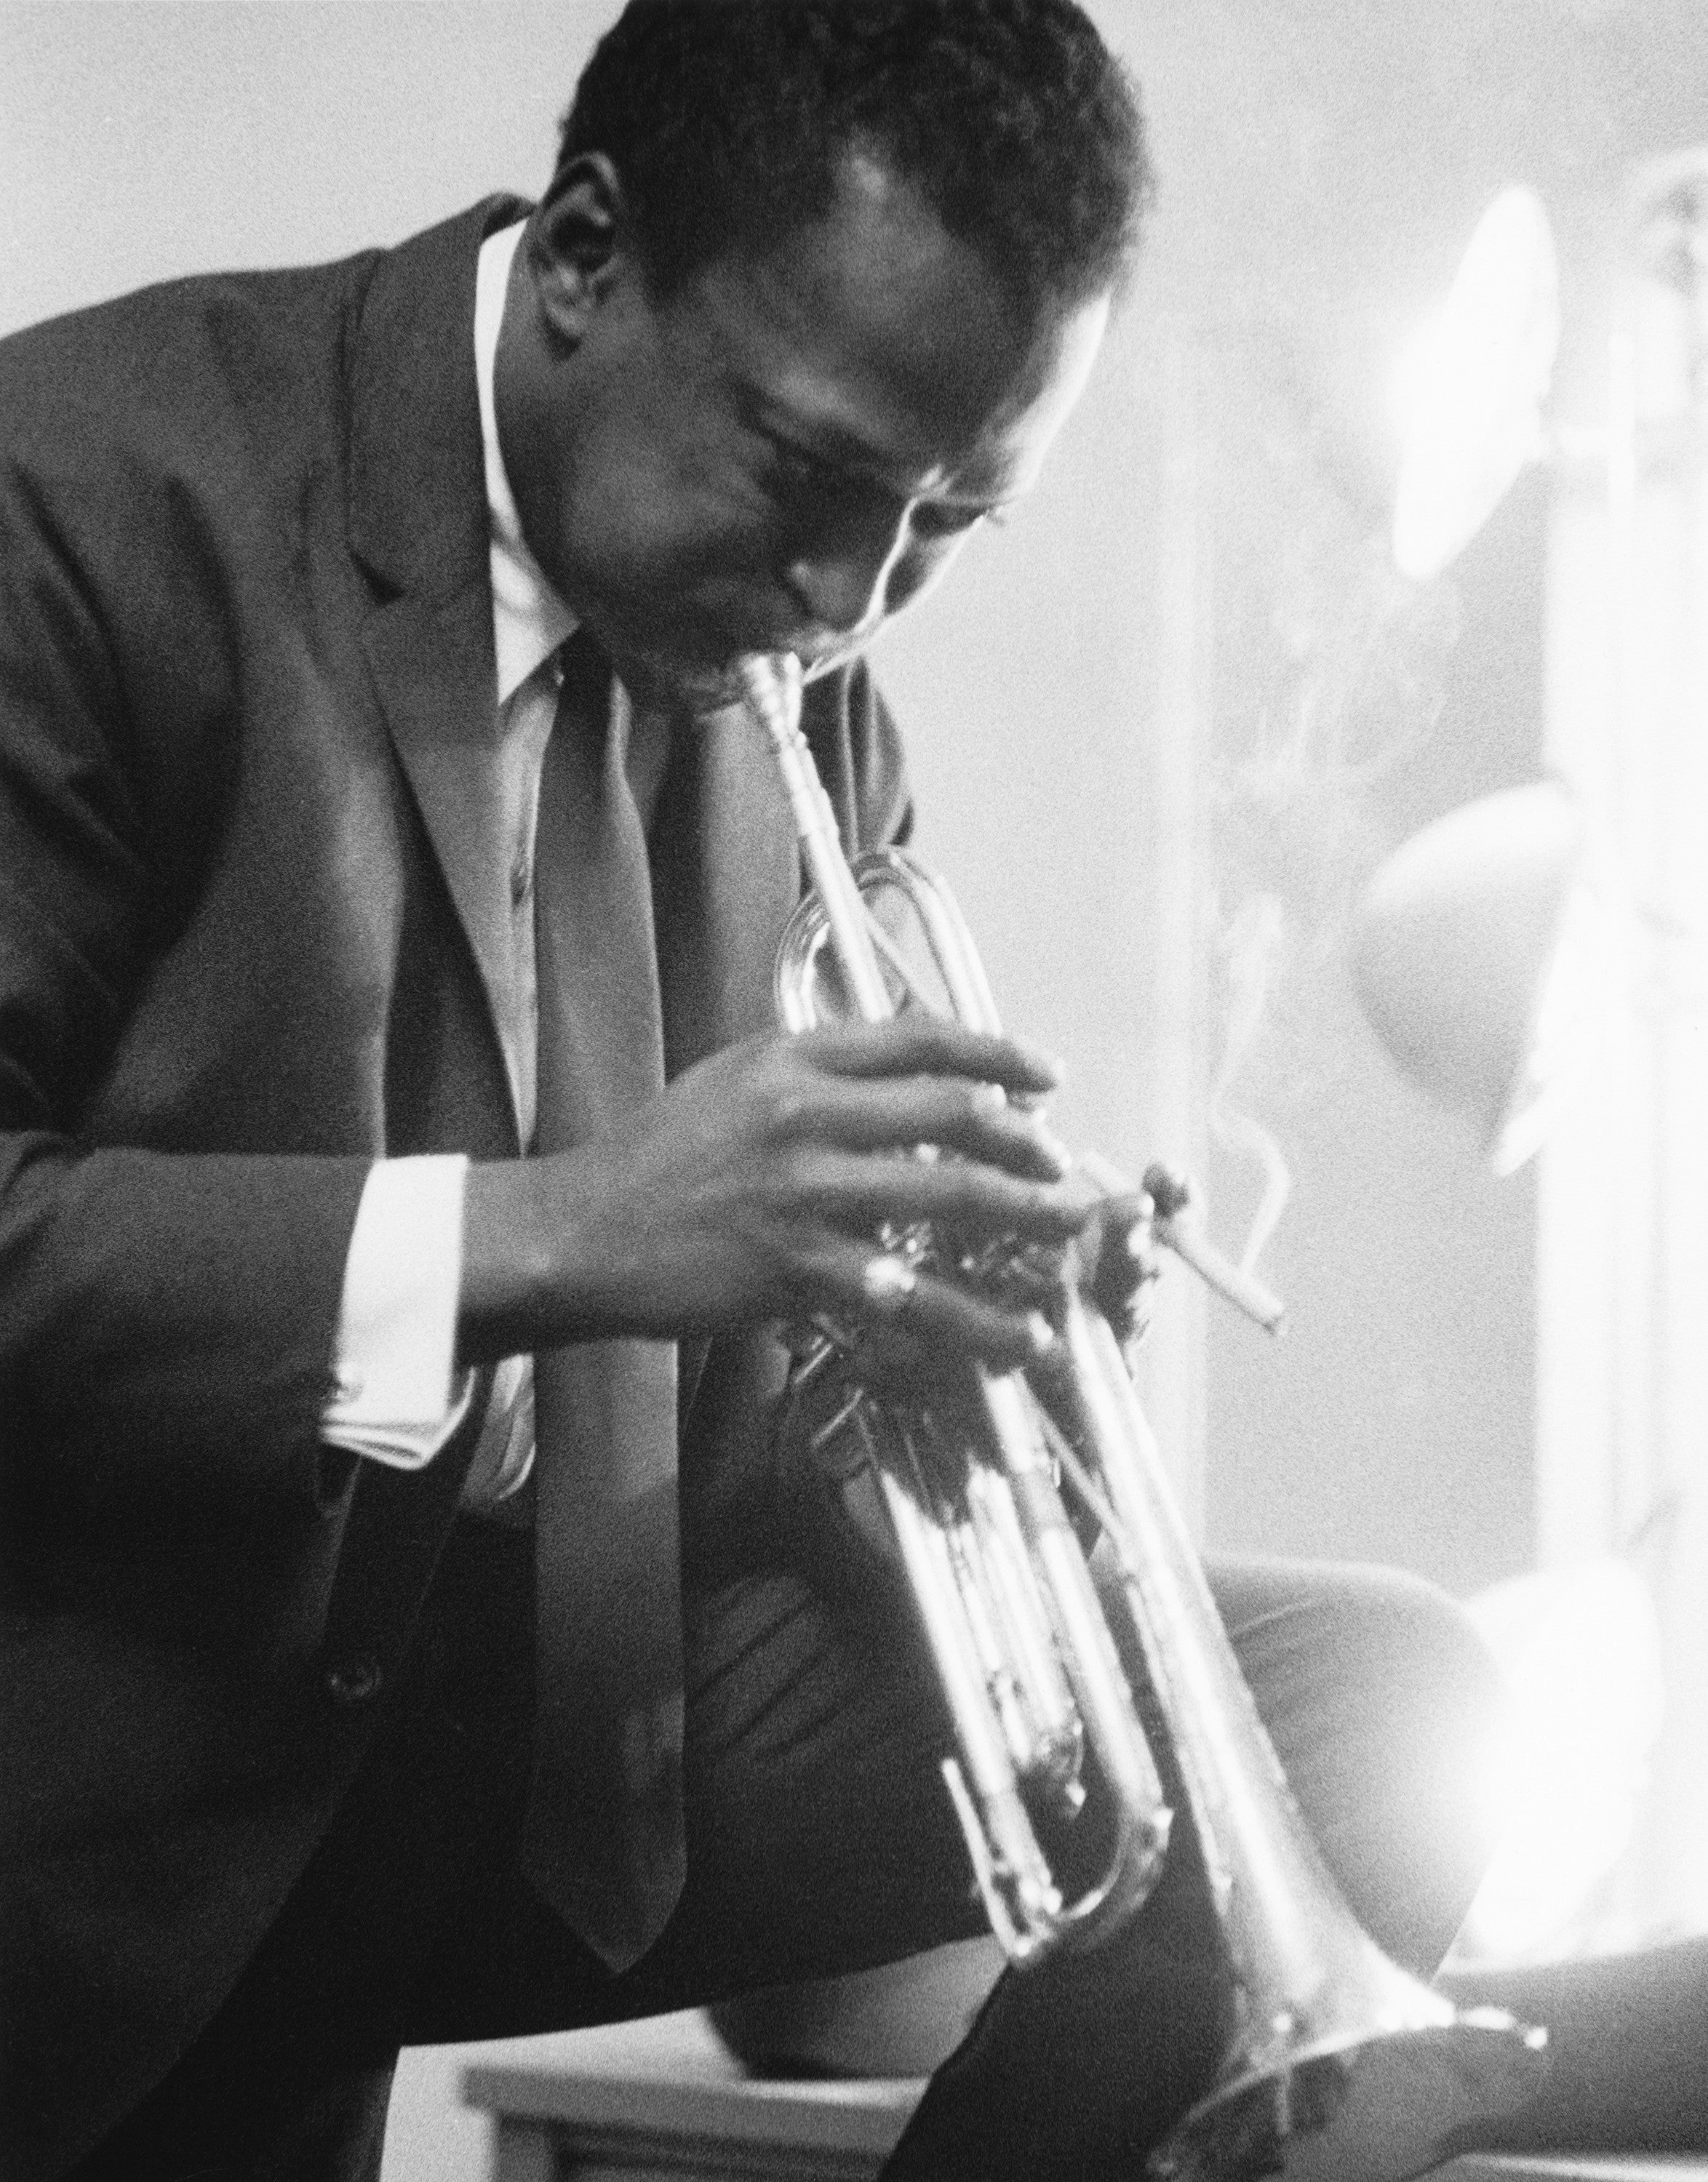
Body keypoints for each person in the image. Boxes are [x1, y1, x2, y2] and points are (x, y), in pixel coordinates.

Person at [0, 4, 1509, 2178]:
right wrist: (569, 1228)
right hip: (104, 1753)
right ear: (593, 256)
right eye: (811, 479)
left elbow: (724, 1412)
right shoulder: (84, 502)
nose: (841, 603)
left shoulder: (802, 683)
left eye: (942, 527)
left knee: (1377, 1712)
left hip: (515, 1762)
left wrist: (926, 1323)